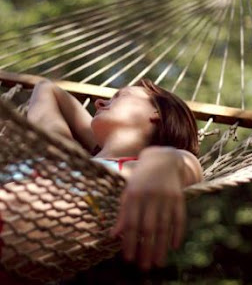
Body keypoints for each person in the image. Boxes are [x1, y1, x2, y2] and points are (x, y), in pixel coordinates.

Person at [26, 78, 203, 272]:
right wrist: (105, 145)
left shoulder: (140, 171)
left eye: (118, 96)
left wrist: (164, 159)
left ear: (157, 113)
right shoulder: (63, 157)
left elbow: (186, 164)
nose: (99, 103)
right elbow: (47, 89)